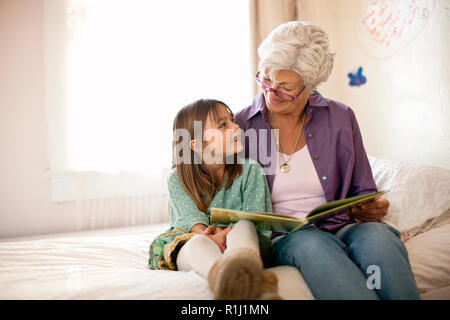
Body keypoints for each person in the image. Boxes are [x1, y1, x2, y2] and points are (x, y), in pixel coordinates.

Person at [234, 21, 420, 299]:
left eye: (285, 87)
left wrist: (371, 207)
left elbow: (363, 191)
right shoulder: (241, 124)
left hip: (342, 225)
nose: (270, 91)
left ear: (310, 85)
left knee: (379, 239)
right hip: (285, 236)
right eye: (266, 78)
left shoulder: (341, 117)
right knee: (313, 244)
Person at [148, 99, 280, 300]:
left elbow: (257, 220)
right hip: (198, 238)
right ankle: (224, 278)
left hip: (239, 242)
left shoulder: (251, 170)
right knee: (196, 243)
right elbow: (191, 220)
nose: (236, 127)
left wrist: (226, 233)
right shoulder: (177, 178)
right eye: (223, 125)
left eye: (232, 120)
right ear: (198, 145)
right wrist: (211, 237)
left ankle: (246, 270)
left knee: (245, 226)